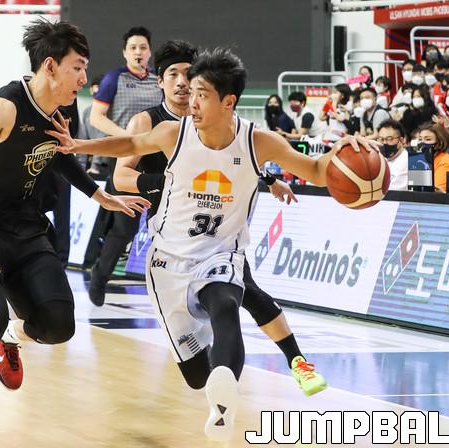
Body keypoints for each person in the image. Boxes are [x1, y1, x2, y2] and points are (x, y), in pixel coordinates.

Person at [48, 48, 374, 442]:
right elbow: (130, 145)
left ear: (229, 101)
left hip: (221, 253)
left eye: (202, 94)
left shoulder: (259, 142)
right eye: (192, 92)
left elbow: (318, 171)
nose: (192, 101)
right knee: (195, 375)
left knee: (226, 305)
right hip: (167, 261)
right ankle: (215, 383)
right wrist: (77, 146)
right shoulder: (174, 133)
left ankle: (224, 405)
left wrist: (344, 151)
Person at [0, 19, 150, 448]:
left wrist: (99, 195)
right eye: (77, 67)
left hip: (26, 224)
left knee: (58, 326)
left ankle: (11, 339)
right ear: (50, 66)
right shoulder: (6, 105)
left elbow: (61, 154)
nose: (84, 78)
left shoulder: (60, 111)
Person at [113, 39, 326, 397]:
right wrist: (164, 183)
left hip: (218, 238)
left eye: (188, 75)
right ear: (160, 81)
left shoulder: (216, 119)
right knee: (197, 371)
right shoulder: (148, 121)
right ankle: (214, 360)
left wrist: (269, 178)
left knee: (249, 294)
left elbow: (239, 155)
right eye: (173, 74)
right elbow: (120, 176)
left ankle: (297, 361)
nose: (182, 83)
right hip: (172, 234)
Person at [86, 25, 163, 306]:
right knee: (125, 227)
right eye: (133, 48)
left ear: (149, 52)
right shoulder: (114, 79)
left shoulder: (159, 80)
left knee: (162, 223)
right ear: (125, 52)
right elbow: (96, 117)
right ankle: (100, 275)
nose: (138, 52)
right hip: (123, 158)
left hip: (156, 160)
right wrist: (129, 138)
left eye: (143, 47)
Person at [417, 122, 449, 193]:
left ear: (440, 142)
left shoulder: (445, 162)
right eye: (420, 139)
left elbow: (434, 193)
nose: (422, 143)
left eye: (428, 139)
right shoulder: (423, 159)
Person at [377, 120, 408, 191]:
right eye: (381, 139)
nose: (384, 142)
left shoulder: (406, 161)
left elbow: (393, 193)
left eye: (389, 139)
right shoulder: (379, 158)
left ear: (401, 140)